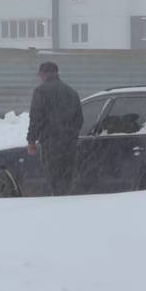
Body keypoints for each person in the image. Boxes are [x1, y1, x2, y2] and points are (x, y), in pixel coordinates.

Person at [26, 62, 84, 196]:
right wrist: (71, 135)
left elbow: (36, 118)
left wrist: (31, 141)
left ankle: (57, 205)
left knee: (54, 179)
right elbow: (79, 119)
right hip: (69, 145)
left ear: (43, 74)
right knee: (67, 179)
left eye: (40, 74)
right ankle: (65, 203)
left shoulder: (40, 91)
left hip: (50, 144)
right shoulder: (71, 92)